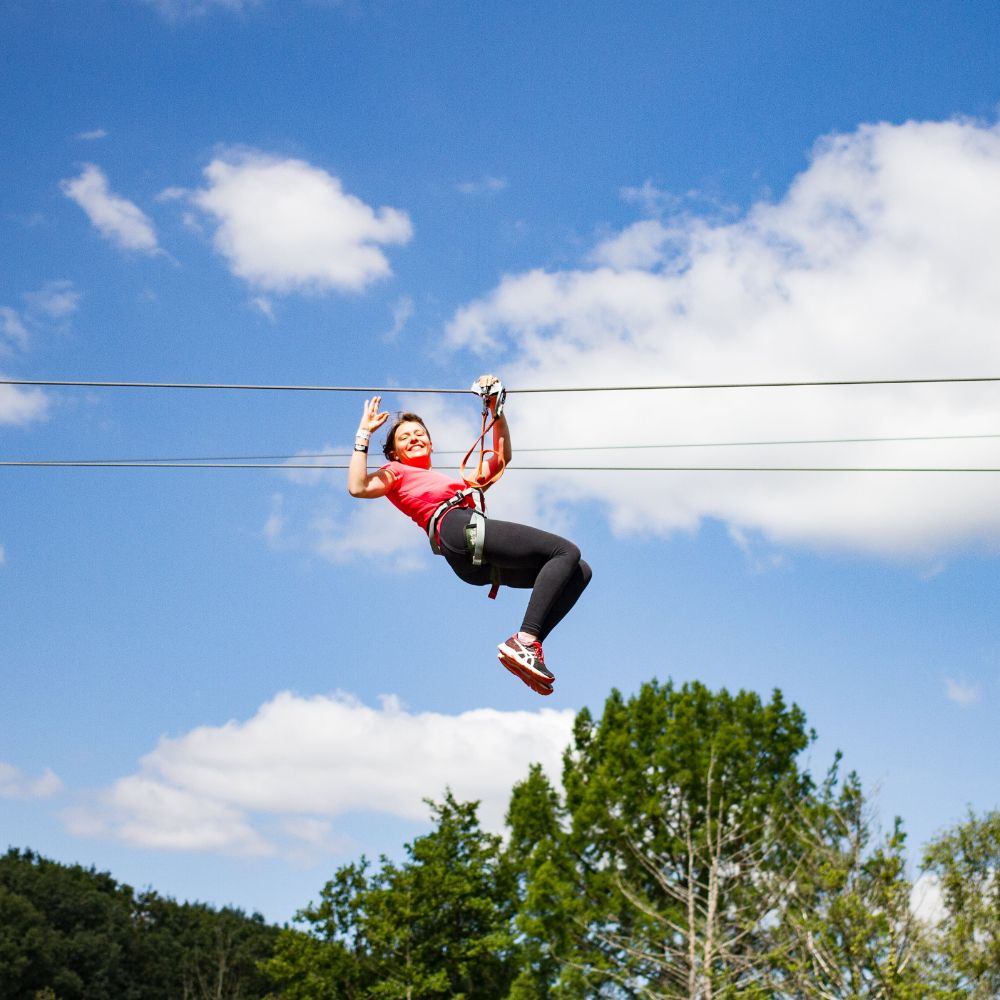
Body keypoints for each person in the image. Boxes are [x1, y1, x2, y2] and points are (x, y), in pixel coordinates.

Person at [347, 375, 591, 695]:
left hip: (473, 565)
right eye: (405, 437)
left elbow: (502, 458)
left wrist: (495, 410)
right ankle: (525, 640)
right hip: (455, 529)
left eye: (420, 433)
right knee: (565, 551)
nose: (414, 438)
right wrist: (363, 435)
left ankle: (528, 647)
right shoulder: (396, 473)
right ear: (394, 454)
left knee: (579, 571)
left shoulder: (461, 485)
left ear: (431, 443)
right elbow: (358, 487)